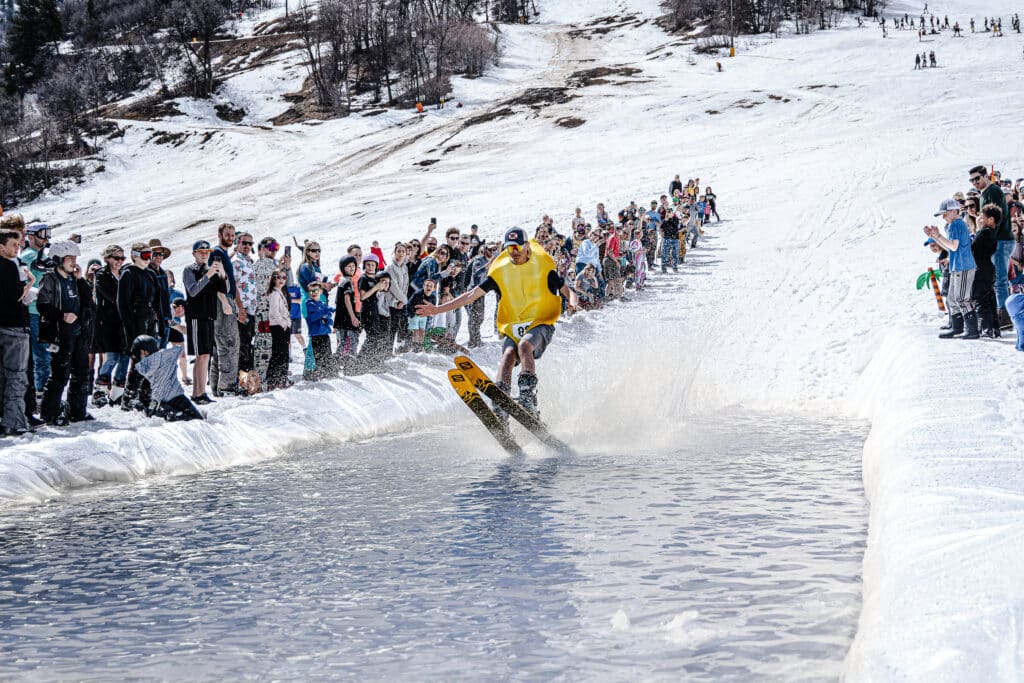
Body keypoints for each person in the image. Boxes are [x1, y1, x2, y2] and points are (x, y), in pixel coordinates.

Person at [416, 227, 578, 418]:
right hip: (513, 326)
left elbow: (567, 290)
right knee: (508, 354)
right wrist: (437, 310)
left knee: (525, 346)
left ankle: (527, 396)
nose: (514, 252)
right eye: (510, 248)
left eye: (517, 247)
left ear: (526, 246)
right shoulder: (501, 271)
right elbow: (470, 295)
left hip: (540, 322)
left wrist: (574, 303)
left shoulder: (542, 267)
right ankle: (500, 401)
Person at [37, 240, 96, 425]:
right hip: (60, 334)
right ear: (58, 259)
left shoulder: (73, 278)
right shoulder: (50, 279)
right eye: (70, 258)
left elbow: (89, 301)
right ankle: (50, 413)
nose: (74, 262)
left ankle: (78, 411)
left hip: (78, 333)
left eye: (75, 258)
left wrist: (80, 279)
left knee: (81, 372)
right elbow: (42, 305)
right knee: (60, 374)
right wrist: (62, 316)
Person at [925, 199, 979, 339]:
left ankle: (972, 330)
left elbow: (953, 246)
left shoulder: (956, 224)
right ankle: (957, 328)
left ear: (954, 211)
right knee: (952, 299)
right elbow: (951, 247)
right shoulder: (953, 225)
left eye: (945, 213)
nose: (943, 217)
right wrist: (934, 237)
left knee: (961, 298)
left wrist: (937, 236)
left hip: (963, 266)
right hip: (957, 266)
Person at [969, 165, 1014, 327]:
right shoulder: (985, 194)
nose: (974, 182)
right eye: (972, 180)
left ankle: (1005, 316)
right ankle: (1001, 313)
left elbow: (997, 218)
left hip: (1001, 240)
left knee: (1000, 280)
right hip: (997, 240)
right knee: (996, 280)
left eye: (977, 178)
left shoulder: (993, 191)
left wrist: (988, 240)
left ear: (986, 176)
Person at [123, 335, 203, 421]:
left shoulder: (145, 366)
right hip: (170, 399)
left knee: (192, 419)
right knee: (194, 419)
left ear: (143, 352)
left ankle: (170, 414)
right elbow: (179, 349)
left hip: (163, 401)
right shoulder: (163, 357)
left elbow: (129, 399)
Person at [183, 240, 223, 405]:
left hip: (209, 316)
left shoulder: (210, 271)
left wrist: (221, 274)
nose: (205, 255)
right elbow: (193, 291)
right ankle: (196, 393)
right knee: (200, 356)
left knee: (206, 355)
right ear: (194, 253)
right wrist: (208, 275)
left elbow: (224, 289)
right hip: (196, 316)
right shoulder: (189, 270)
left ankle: (201, 393)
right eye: (201, 252)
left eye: (207, 252)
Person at [0, 229, 32, 436]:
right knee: (16, 376)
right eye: (13, 245)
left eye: (19, 245)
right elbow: (16, 296)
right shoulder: (11, 267)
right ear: (1, 247)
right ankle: (15, 421)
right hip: (14, 326)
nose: (17, 249)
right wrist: (30, 282)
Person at [209, 223, 243, 397]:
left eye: (232, 235)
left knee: (219, 346)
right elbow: (214, 280)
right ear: (219, 234)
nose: (230, 238)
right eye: (227, 235)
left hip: (225, 300)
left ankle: (216, 387)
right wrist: (224, 301)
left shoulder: (223, 255)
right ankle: (227, 386)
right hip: (221, 301)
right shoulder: (216, 254)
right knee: (228, 343)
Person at [92, 244, 129, 406]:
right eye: (116, 258)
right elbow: (112, 296)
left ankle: (117, 393)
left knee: (125, 357)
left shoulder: (125, 273)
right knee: (112, 357)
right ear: (107, 258)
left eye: (122, 258)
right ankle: (100, 389)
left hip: (124, 322)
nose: (119, 261)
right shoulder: (101, 274)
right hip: (108, 322)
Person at [21, 223, 52, 393]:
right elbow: (21, 282)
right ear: (31, 236)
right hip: (33, 311)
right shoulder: (28, 256)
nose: (46, 238)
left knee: (45, 355)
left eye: (48, 234)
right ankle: (41, 393)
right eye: (42, 234)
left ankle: (41, 391)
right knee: (41, 356)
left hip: (42, 312)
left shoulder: (42, 254)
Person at [252, 237, 280, 387]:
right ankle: (261, 381)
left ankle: (265, 379)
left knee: (267, 346)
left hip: (270, 311)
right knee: (264, 347)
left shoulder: (272, 265)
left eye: (276, 247)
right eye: (270, 247)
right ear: (261, 249)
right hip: (264, 311)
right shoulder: (262, 265)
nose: (274, 250)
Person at [357, 254, 392, 369]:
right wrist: (376, 288)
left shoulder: (375, 279)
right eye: (368, 264)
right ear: (364, 265)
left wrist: (381, 287)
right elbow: (363, 297)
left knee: (376, 338)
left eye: (373, 265)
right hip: (367, 311)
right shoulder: (364, 278)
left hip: (375, 310)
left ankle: (371, 362)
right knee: (372, 337)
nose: (371, 267)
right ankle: (360, 362)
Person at [972, 205, 1000, 336]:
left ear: (991, 219)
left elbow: (973, 248)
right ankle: (994, 328)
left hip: (981, 268)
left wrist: (978, 230)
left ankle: (986, 328)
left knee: (980, 298)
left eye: (982, 217)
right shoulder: (992, 233)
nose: (979, 219)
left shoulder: (984, 232)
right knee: (989, 297)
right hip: (987, 267)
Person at [303, 280, 335, 381]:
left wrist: (329, 320)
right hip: (316, 334)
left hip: (325, 333)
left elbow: (327, 316)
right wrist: (324, 312)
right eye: (311, 291)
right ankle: (319, 372)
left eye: (315, 291)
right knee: (319, 354)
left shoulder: (322, 303)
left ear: (320, 291)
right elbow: (313, 317)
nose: (313, 293)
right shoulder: (309, 303)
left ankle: (328, 371)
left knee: (327, 352)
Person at [266, 268, 293, 390]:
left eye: (284, 277)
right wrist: (283, 323)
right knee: (281, 353)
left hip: (282, 326)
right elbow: (274, 311)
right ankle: (277, 379)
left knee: (281, 353)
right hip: (278, 326)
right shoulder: (275, 294)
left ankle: (277, 379)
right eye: (278, 277)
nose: (281, 280)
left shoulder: (280, 292)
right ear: (273, 279)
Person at [333, 256, 361, 367]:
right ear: (343, 268)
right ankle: (351, 364)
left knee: (343, 342)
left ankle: (334, 362)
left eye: (353, 266)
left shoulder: (342, 280)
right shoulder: (346, 281)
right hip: (347, 316)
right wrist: (353, 317)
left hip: (341, 317)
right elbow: (347, 299)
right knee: (353, 339)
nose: (351, 268)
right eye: (348, 266)